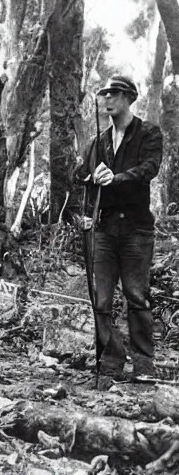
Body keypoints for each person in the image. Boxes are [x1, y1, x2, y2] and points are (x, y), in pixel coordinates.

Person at [75, 75, 163, 386]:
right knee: (100, 299)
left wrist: (116, 177)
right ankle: (110, 359)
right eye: (104, 94)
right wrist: (92, 177)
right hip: (104, 229)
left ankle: (143, 361)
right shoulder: (98, 142)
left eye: (114, 93)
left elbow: (149, 169)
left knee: (136, 295)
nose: (107, 99)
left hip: (137, 228)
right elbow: (79, 173)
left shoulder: (148, 133)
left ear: (128, 97)